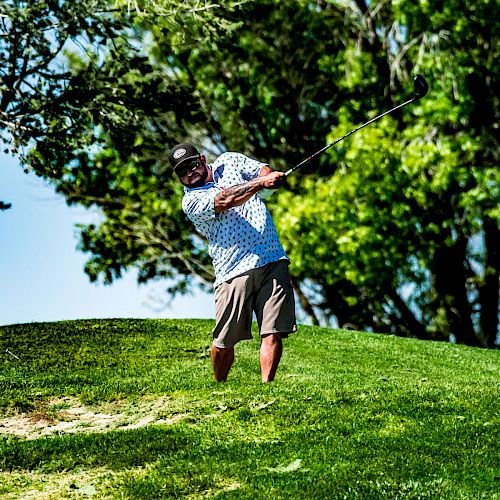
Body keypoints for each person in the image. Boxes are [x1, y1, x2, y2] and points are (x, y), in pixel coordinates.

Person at [169, 143, 297, 383]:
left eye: (192, 165)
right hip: (233, 271)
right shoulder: (191, 202)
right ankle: (220, 384)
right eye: (182, 172)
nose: (189, 173)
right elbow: (226, 199)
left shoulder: (230, 161)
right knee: (225, 341)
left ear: (203, 158)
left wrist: (268, 179)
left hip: (271, 257)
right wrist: (260, 185)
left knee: (272, 331)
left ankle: (266, 387)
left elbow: (260, 170)